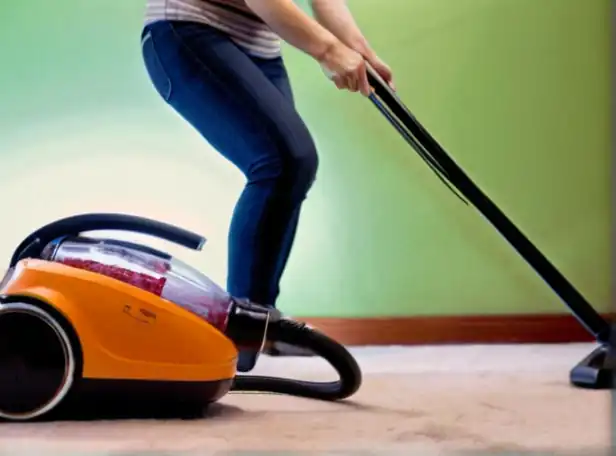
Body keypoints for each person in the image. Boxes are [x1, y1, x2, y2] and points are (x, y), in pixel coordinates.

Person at [140, 0, 395, 372]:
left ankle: (254, 327)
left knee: (289, 170)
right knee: (284, 161)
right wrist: (328, 50)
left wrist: (361, 51)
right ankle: (241, 333)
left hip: (258, 45)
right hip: (189, 29)